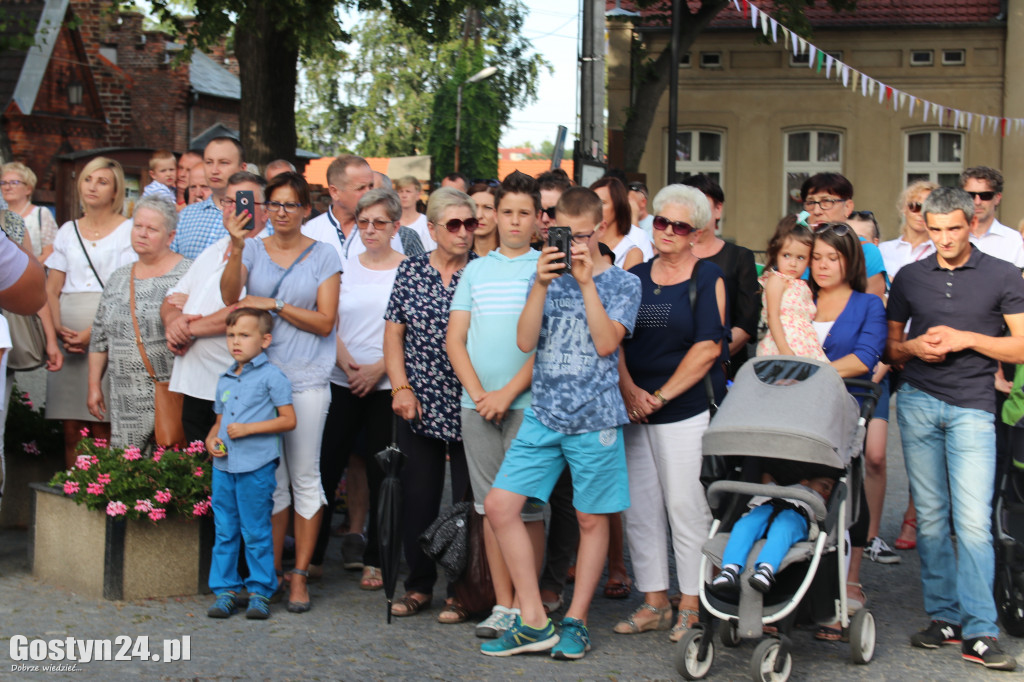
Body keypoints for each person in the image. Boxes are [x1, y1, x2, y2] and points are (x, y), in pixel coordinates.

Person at [480, 186, 641, 660]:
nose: (572, 244)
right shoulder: (542, 275)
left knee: (592, 519)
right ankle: (532, 618)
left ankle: (576, 620)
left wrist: (588, 283)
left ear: (599, 230)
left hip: (595, 417)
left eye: (581, 235)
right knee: (500, 505)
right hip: (544, 413)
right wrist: (541, 284)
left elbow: (608, 344)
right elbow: (525, 341)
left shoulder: (624, 283)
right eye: (561, 234)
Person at [887, 186, 1024, 671]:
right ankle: (944, 618)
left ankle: (980, 630)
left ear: (971, 223)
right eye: (935, 228)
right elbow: (891, 348)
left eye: (954, 228)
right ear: (925, 223)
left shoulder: (1003, 274)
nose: (944, 238)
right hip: (919, 402)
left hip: (972, 406)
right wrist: (915, 348)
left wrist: (968, 338)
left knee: (971, 523)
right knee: (930, 518)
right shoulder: (908, 276)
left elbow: (1021, 348)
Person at [220, 171, 341, 614]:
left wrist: (276, 306)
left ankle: (300, 575)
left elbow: (327, 321)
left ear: (307, 210)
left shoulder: (324, 255)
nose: (282, 212)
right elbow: (231, 296)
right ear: (265, 208)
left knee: (305, 478)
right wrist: (235, 246)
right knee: (272, 484)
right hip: (259, 380)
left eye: (291, 204)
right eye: (275, 204)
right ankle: (264, 575)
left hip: (306, 379)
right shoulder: (252, 247)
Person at [615, 184, 726, 640]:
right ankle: (654, 600)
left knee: (686, 507)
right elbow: (615, 340)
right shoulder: (635, 277)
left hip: (685, 410)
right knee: (640, 509)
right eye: (661, 221)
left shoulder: (708, 278)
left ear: (696, 233)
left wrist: (658, 397)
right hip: (635, 408)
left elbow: (707, 349)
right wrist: (630, 392)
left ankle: (691, 604)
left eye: (679, 226)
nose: (667, 231)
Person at [447, 171, 541, 638]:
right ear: (494, 216)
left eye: (524, 213)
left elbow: (544, 345)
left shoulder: (546, 268)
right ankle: (504, 604)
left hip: (528, 405)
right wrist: (480, 394)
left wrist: (508, 393)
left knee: (528, 510)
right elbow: (456, 340)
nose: (514, 221)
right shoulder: (476, 271)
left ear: (538, 219)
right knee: (488, 508)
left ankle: (531, 604)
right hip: (476, 406)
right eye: (507, 212)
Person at [383, 187, 476, 622]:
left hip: (471, 400)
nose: (463, 232)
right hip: (418, 399)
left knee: (468, 502)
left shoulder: (482, 272)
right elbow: (394, 332)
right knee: (418, 498)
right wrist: (400, 387)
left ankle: (464, 590)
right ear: (434, 228)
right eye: (453, 224)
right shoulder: (411, 271)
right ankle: (418, 586)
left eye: (470, 224)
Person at [311, 188, 405, 587]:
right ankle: (311, 556)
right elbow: (326, 319)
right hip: (342, 378)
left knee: (386, 472)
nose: (370, 230)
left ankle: (378, 558)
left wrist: (379, 369)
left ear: (395, 227)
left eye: (379, 223)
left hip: (386, 385)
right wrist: (346, 362)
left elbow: (414, 333)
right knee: (327, 467)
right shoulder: (342, 266)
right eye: (363, 222)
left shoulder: (410, 269)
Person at [808, 222, 887, 641]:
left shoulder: (867, 304)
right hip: (794, 413)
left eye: (832, 258)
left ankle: (845, 585)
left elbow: (865, 358)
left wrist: (811, 374)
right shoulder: (799, 299)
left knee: (843, 495)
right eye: (816, 257)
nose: (822, 266)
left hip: (843, 408)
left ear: (849, 261)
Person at [162, 172, 270, 445]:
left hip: (231, 385)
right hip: (194, 382)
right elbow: (172, 297)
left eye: (243, 201)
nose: (233, 208)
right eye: (227, 201)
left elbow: (244, 312)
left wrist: (187, 330)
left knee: (227, 466)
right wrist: (174, 321)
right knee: (197, 470)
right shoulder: (213, 249)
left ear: (265, 211)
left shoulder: (267, 253)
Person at [205, 308, 296, 621]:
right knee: (225, 530)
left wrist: (249, 429)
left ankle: (260, 592)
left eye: (244, 335)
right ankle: (225, 590)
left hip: (256, 467)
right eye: (231, 335)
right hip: (224, 468)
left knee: (256, 531)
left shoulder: (273, 377)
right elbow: (218, 422)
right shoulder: (225, 378)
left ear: (265, 340)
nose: (235, 342)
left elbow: (288, 420)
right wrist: (211, 441)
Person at [45, 157, 136, 466]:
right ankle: (72, 492)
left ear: (115, 191)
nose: (92, 186)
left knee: (101, 425)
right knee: (71, 428)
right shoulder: (67, 230)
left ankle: (101, 495)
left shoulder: (128, 231)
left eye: (102, 181)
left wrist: (92, 335)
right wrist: (57, 330)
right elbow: (51, 289)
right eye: (88, 179)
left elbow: (125, 290)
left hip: (108, 332)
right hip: (66, 336)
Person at [86, 196, 189, 448]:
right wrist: (93, 386)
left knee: (169, 467)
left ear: (171, 236)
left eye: (152, 229)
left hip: (169, 393)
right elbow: (99, 338)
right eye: (138, 226)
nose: (142, 234)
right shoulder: (118, 278)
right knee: (128, 470)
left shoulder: (188, 274)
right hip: (125, 399)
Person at [877, 180, 939, 553]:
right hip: (885, 350)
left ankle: (914, 515)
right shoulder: (883, 251)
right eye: (915, 206)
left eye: (928, 207)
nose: (920, 213)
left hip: (925, 352)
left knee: (924, 439)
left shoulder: (944, 250)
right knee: (875, 447)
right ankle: (866, 527)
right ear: (904, 208)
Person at [846, 209, 900, 566]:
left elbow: (888, 340)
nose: (856, 247)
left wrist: (875, 375)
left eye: (862, 240)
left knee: (875, 456)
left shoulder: (880, 294)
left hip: (872, 377)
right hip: (841, 377)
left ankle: (872, 535)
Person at [683, 174, 761, 378]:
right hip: (672, 364)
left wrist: (706, 358)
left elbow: (746, 323)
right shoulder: (666, 257)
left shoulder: (740, 257)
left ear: (718, 209)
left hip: (725, 367)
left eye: (702, 205)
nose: (695, 212)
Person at [710, 476, 836, 596]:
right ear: (804, 482)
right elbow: (766, 476)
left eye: (831, 491)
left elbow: (819, 520)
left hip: (797, 515)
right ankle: (729, 570)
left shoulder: (819, 501)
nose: (828, 491)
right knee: (744, 526)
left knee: (783, 529)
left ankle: (765, 570)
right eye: (825, 485)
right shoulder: (779, 487)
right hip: (766, 505)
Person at [304, 158, 424, 264]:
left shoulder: (385, 229)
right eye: (361, 188)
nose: (369, 193)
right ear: (335, 192)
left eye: (371, 186)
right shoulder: (310, 232)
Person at [799, 173, 887, 299]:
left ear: (847, 207)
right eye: (811, 202)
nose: (817, 211)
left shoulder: (865, 250)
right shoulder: (798, 248)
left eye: (827, 201)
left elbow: (871, 306)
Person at [757, 217, 825, 360]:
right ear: (777, 253)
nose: (793, 263)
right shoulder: (777, 280)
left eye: (800, 258)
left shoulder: (803, 285)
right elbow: (772, 316)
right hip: (783, 345)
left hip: (806, 345)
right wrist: (785, 350)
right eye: (786, 255)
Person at [172, 137, 246, 259]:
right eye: (209, 162)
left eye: (223, 162)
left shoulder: (257, 218)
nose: (214, 170)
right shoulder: (186, 215)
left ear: (242, 168)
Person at [958, 166, 1024, 268]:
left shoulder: (1014, 241)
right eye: (970, 195)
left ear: (997, 198)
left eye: (985, 195)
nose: (977, 202)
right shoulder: (950, 237)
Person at [1, 161, 58, 261]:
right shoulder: (1, 216)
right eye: (3, 182)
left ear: (28, 189)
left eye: (14, 182)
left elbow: (50, 252)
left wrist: (27, 271)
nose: (7, 187)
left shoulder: (40, 214)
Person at [590, 176, 647, 269]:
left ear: (618, 206)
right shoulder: (585, 242)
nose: (595, 208)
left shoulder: (631, 253)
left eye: (602, 203)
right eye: (591, 202)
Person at [394, 175, 432, 250]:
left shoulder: (426, 223)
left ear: (418, 195)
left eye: (408, 191)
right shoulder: (391, 222)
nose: (404, 195)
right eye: (400, 191)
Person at [468, 183, 499, 257]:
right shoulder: (456, 257)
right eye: (474, 207)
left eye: (488, 208)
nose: (479, 215)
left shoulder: (511, 258)